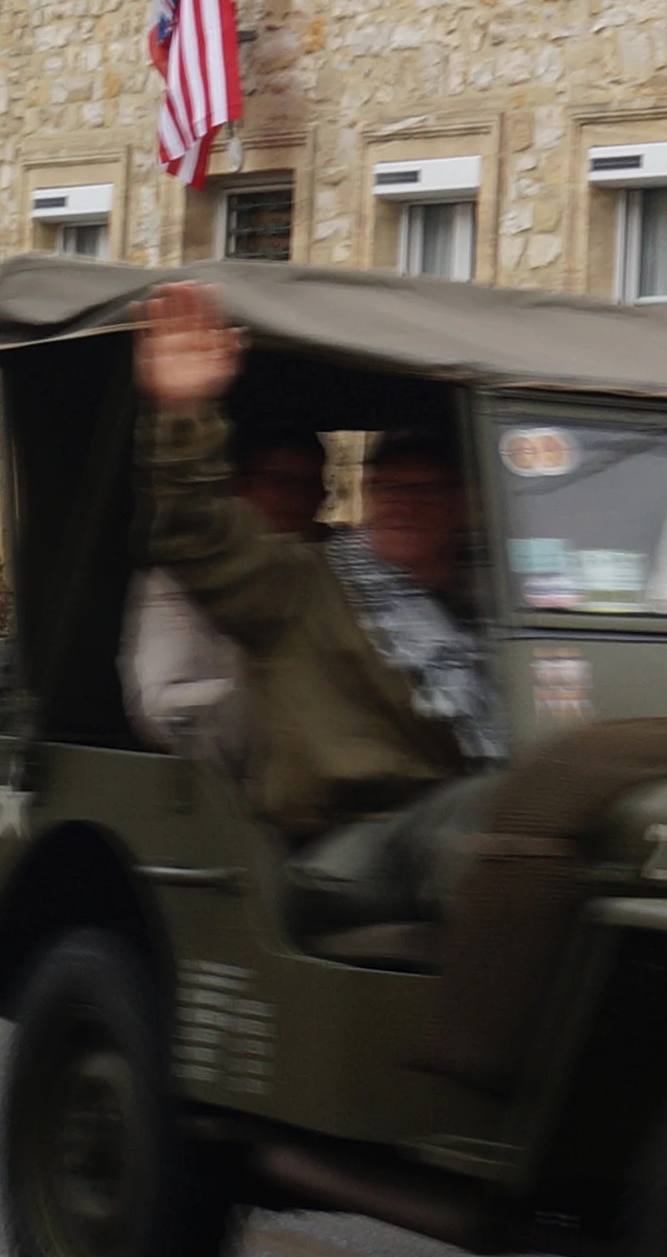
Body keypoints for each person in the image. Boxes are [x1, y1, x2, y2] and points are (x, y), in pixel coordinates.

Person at [134, 279, 503, 928]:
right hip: (346, 841)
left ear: (467, 505)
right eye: (388, 486)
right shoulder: (309, 584)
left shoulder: (491, 611)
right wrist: (184, 412)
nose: (403, 502)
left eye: (428, 487)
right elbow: (195, 533)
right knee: (489, 827)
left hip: (457, 835)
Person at [119, 429, 325, 769]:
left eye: (309, 485)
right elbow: (164, 708)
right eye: (280, 481)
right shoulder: (184, 578)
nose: (296, 498)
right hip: (239, 782)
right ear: (241, 487)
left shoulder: (339, 564)